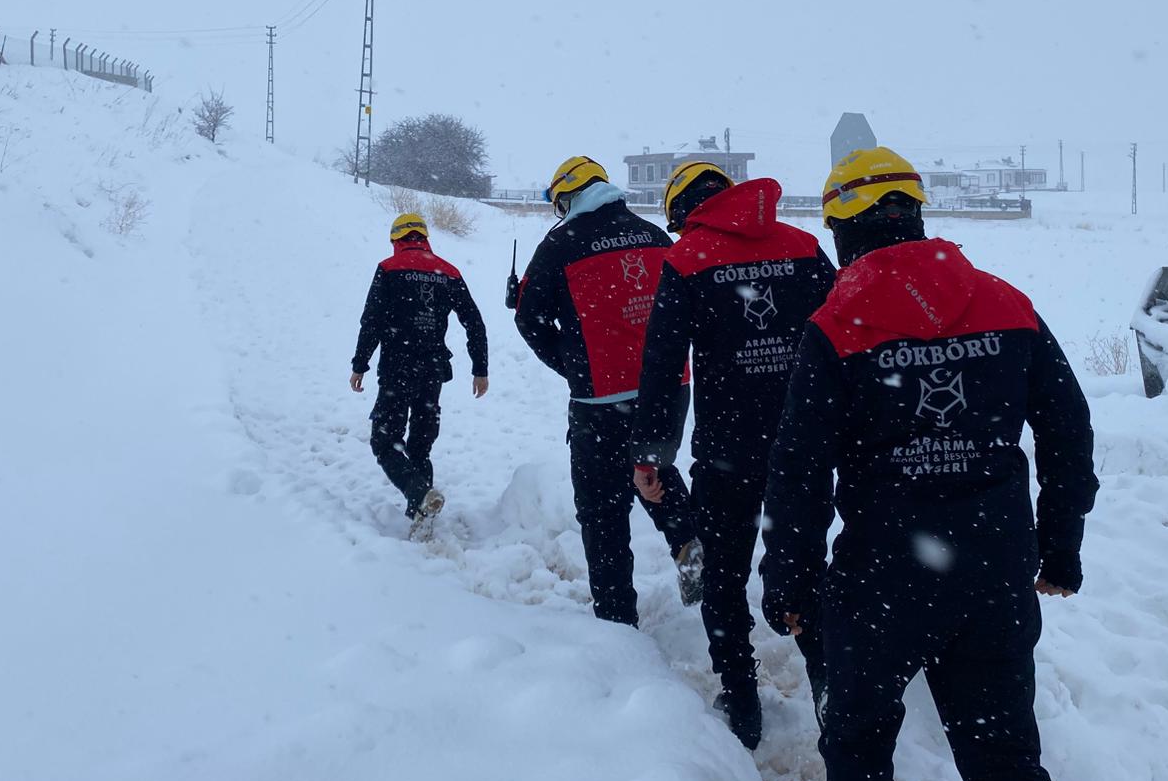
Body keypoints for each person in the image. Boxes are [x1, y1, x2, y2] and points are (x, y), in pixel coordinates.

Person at [761, 147, 1098, 781]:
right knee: (1005, 760)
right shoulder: (1008, 304)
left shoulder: (836, 326)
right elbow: (1068, 431)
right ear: (913, 212)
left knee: (858, 751)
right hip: (994, 572)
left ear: (844, 227)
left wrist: (790, 582)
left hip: (883, 581)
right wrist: (1059, 544)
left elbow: (799, 471)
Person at [632, 160, 837, 748]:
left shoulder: (687, 259)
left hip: (728, 454)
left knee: (722, 578)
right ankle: (825, 679)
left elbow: (662, 362)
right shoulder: (803, 247)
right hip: (804, 446)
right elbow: (844, 328)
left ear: (683, 213)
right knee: (803, 565)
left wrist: (649, 453)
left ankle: (741, 700)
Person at [514, 156, 703, 626]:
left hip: (601, 397)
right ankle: (686, 538)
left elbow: (530, 318)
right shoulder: (655, 234)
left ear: (566, 197)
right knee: (651, 463)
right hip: (669, 387)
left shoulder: (560, 243)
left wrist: (574, 366)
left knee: (601, 510)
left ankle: (617, 621)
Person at [350, 212, 489, 527]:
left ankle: (417, 491)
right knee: (420, 447)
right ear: (424, 237)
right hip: (432, 371)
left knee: (385, 442)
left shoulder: (388, 269)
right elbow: (474, 323)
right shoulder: (448, 272)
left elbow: (371, 322)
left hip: (396, 370)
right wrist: (480, 367)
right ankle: (422, 513)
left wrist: (360, 364)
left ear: (396, 239)